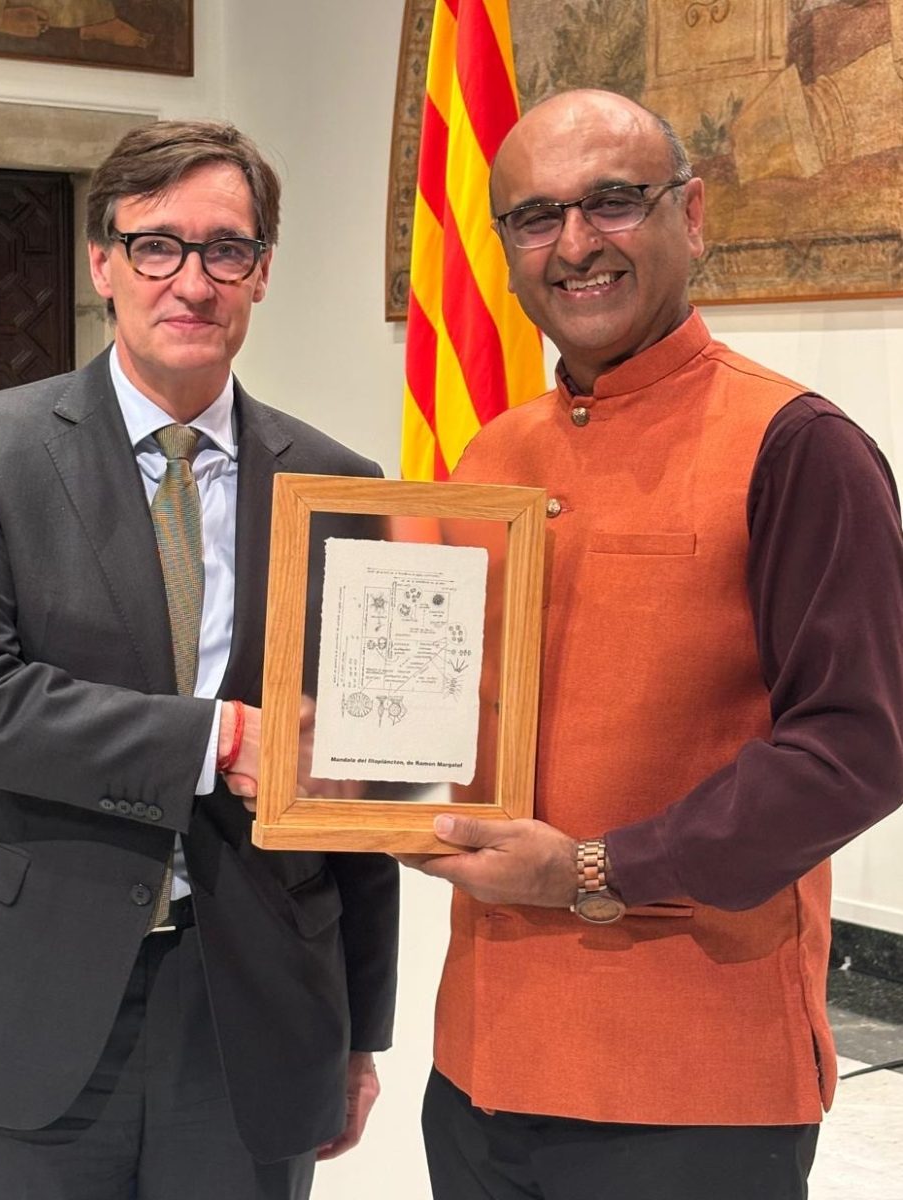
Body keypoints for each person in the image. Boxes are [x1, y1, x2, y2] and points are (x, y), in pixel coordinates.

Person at [0, 119, 398, 1200]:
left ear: (260, 274)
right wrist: (223, 736)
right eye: (156, 245)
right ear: (100, 261)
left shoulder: (340, 487)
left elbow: (357, 773)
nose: (190, 280)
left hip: (250, 995)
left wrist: (356, 1026)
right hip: (33, 987)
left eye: (225, 249)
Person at [400, 89, 903, 1200]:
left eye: (612, 202)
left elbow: (853, 750)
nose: (573, 245)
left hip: (689, 1086)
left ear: (693, 215)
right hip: (481, 1064)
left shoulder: (796, 446)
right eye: (535, 217)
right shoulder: (489, 453)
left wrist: (593, 871)